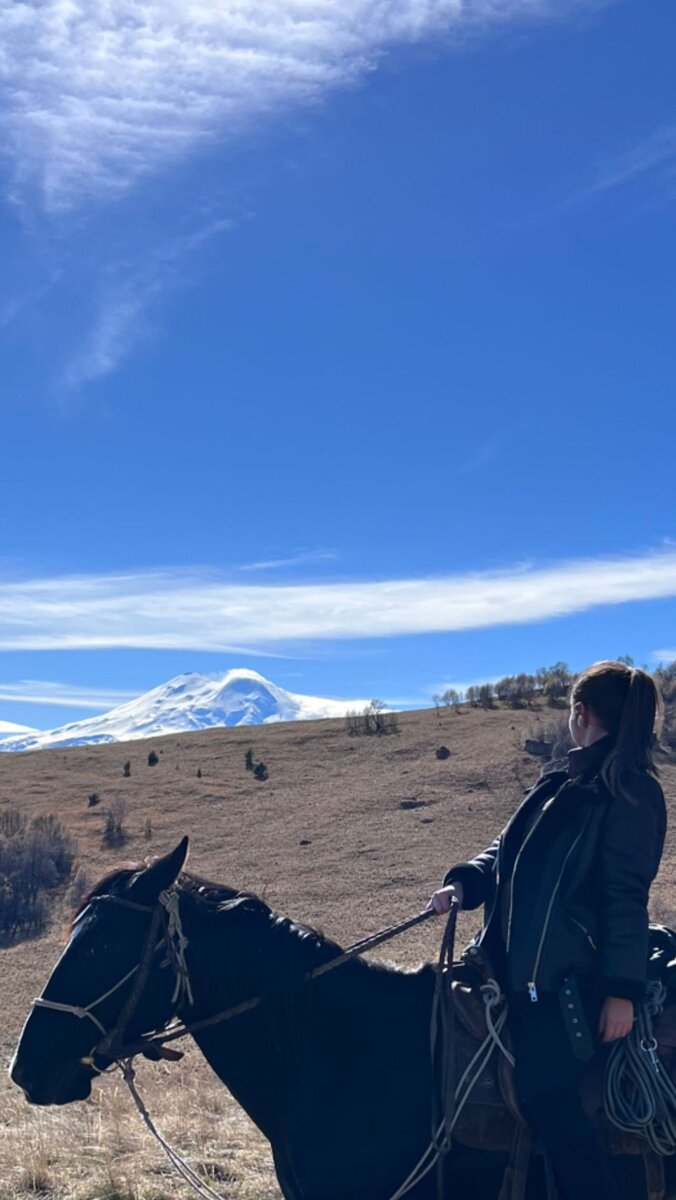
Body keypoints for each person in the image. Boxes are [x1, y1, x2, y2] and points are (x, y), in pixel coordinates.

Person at [428, 661, 667, 1200]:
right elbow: (505, 850)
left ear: (580, 713)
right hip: (520, 976)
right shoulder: (560, 781)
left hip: (570, 986)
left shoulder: (630, 794)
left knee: (541, 1091)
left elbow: (625, 899)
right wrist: (464, 884)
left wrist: (621, 992)